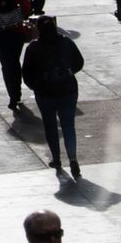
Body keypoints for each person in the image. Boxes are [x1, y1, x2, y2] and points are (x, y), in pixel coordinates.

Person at [22, 17, 85, 176]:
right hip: (68, 90)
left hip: (45, 93)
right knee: (68, 125)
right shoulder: (66, 42)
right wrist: (68, 72)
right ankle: (73, 158)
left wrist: (36, 86)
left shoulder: (33, 48)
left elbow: (26, 74)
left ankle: (56, 159)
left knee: (50, 126)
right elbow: (79, 62)